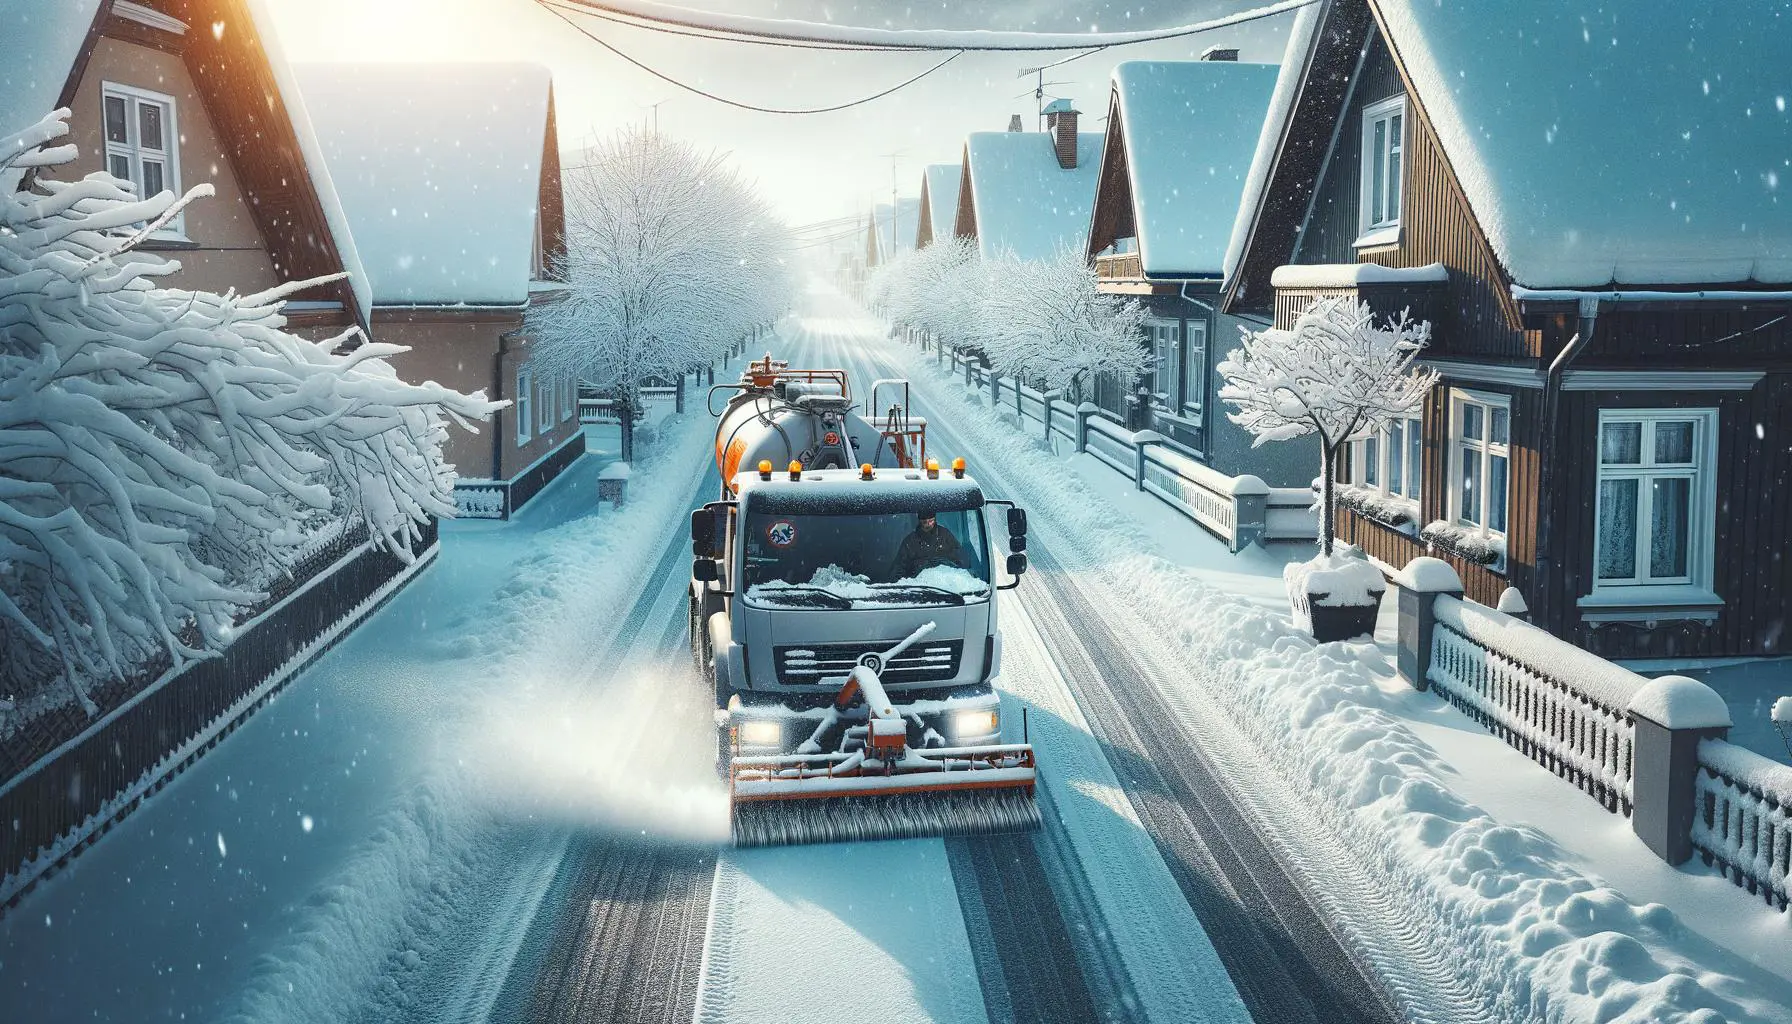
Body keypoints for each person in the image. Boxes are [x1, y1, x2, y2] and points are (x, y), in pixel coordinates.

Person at [891, 512, 966, 580]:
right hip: (919, 586)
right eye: (925, 522)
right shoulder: (910, 541)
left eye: (931, 521)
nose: (928, 524)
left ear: (935, 519)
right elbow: (899, 570)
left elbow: (961, 561)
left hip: (947, 585)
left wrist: (945, 563)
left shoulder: (945, 535)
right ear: (920, 521)